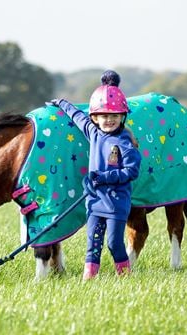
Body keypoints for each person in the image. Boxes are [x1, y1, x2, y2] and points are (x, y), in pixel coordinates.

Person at [50, 70, 141, 280]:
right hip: (94, 202)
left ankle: (125, 277)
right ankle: (88, 280)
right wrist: (62, 103)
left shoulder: (125, 144)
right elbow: (77, 117)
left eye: (114, 116)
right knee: (92, 243)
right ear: (95, 117)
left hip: (116, 204)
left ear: (122, 117)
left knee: (113, 243)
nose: (108, 120)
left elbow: (131, 172)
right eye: (103, 116)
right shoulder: (94, 132)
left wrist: (103, 177)